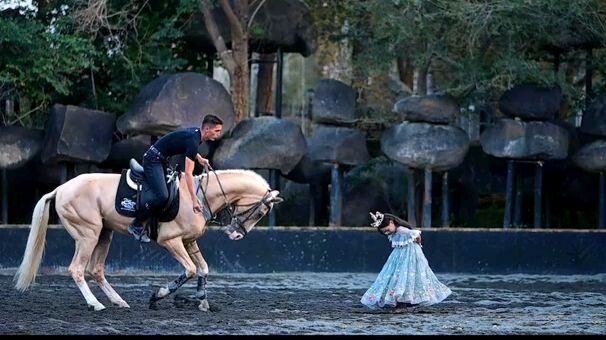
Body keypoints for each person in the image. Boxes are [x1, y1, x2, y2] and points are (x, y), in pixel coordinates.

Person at [127, 114, 224, 242]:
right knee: (162, 195)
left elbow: (187, 147)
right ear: (207, 129)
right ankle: (136, 224)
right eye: (217, 131)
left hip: (162, 160)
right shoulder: (194, 140)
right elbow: (189, 174)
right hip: (153, 160)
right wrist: (194, 201)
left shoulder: (195, 134)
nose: (218, 134)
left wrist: (199, 159)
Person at [360, 211, 451, 309]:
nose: (387, 233)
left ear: (391, 222)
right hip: (400, 255)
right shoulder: (395, 232)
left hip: (410, 253)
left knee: (407, 274)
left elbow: (416, 234)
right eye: (384, 232)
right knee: (398, 274)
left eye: (387, 230)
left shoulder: (402, 230)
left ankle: (406, 298)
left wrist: (417, 245)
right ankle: (402, 298)